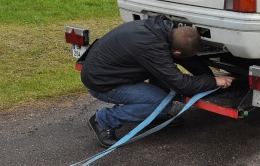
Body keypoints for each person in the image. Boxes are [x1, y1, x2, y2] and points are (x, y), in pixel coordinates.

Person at [81, 15, 234, 147]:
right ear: (177, 52)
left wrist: (207, 76)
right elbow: (181, 85)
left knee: (164, 79)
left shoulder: (163, 31)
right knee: (160, 103)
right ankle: (103, 120)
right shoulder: (152, 48)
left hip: (111, 71)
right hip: (102, 83)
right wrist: (214, 82)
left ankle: (152, 117)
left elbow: (186, 59)